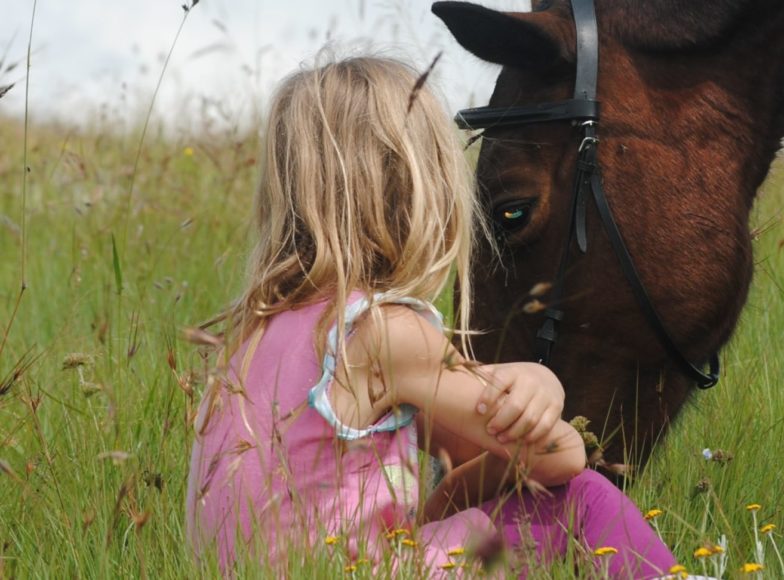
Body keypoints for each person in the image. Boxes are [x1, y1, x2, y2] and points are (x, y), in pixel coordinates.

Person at [185, 54, 679, 578]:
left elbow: (466, 448)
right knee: (582, 498)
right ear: (424, 189)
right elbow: (557, 456)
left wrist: (467, 467)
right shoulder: (382, 332)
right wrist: (545, 386)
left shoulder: (255, 338)